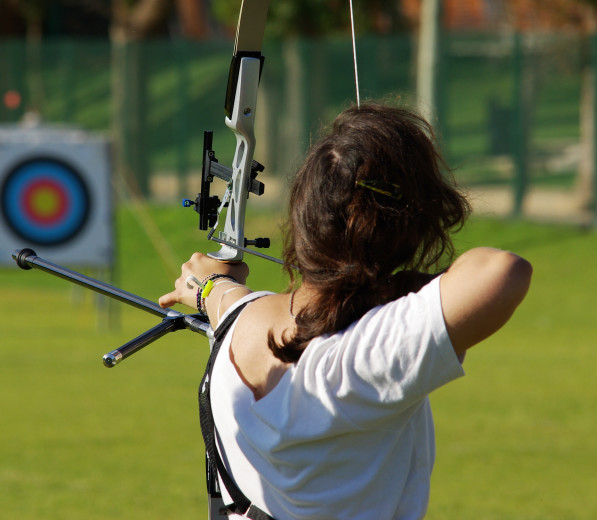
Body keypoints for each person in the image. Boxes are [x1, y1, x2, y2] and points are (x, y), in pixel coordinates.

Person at [159, 102, 532, 520]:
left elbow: (220, 295)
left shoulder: (239, 318)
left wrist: (211, 284)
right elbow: (503, 271)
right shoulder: (363, 357)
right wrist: (400, 287)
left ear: (303, 215)